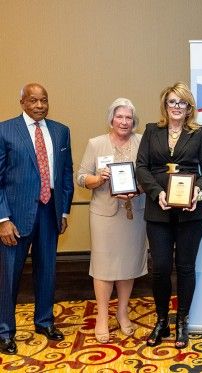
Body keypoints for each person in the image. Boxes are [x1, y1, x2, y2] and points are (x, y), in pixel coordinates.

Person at [136, 81, 202, 349]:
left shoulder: (200, 133)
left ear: (189, 106)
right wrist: (157, 192)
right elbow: (142, 168)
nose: (177, 107)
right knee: (159, 268)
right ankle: (162, 321)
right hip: (158, 209)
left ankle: (183, 321)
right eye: (172, 102)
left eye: (182, 102)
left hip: (191, 212)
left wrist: (198, 191)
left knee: (185, 267)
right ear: (165, 105)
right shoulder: (151, 131)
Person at [0, 83, 74, 355]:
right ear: (22, 102)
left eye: (44, 100)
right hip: (15, 217)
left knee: (47, 272)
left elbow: (66, 175)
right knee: (9, 276)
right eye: (33, 100)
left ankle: (44, 322)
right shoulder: (4, 130)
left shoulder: (60, 131)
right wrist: (2, 219)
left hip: (49, 212)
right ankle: (5, 331)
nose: (40, 105)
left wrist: (64, 210)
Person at [76, 98, 147, 344]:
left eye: (129, 118)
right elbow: (81, 178)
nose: (124, 122)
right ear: (111, 119)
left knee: (128, 265)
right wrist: (98, 179)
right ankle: (103, 317)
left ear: (133, 121)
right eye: (120, 117)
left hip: (134, 214)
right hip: (104, 215)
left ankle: (122, 312)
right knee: (104, 267)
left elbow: (150, 175)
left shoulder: (142, 142)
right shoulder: (96, 144)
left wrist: (138, 189)